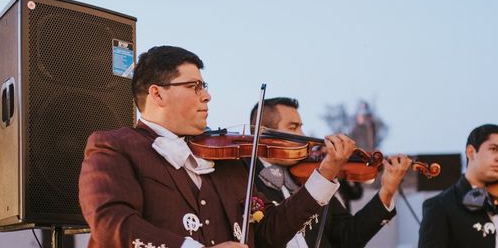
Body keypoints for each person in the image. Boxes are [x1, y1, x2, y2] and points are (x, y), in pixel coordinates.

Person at [79, 46, 358, 248]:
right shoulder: (114, 147)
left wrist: (326, 172)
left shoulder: (226, 160)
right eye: (194, 86)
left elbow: (268, 234)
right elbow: (111, 224)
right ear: (157, 93)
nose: (207, 96)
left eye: (205, 86)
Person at [250, 97, 412, 248]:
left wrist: (388, 190)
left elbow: (349, 237)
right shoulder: (245, 178)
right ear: (264, 133)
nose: (303, 136)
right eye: (293, 127)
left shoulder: (310, 178)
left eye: (301, 127)